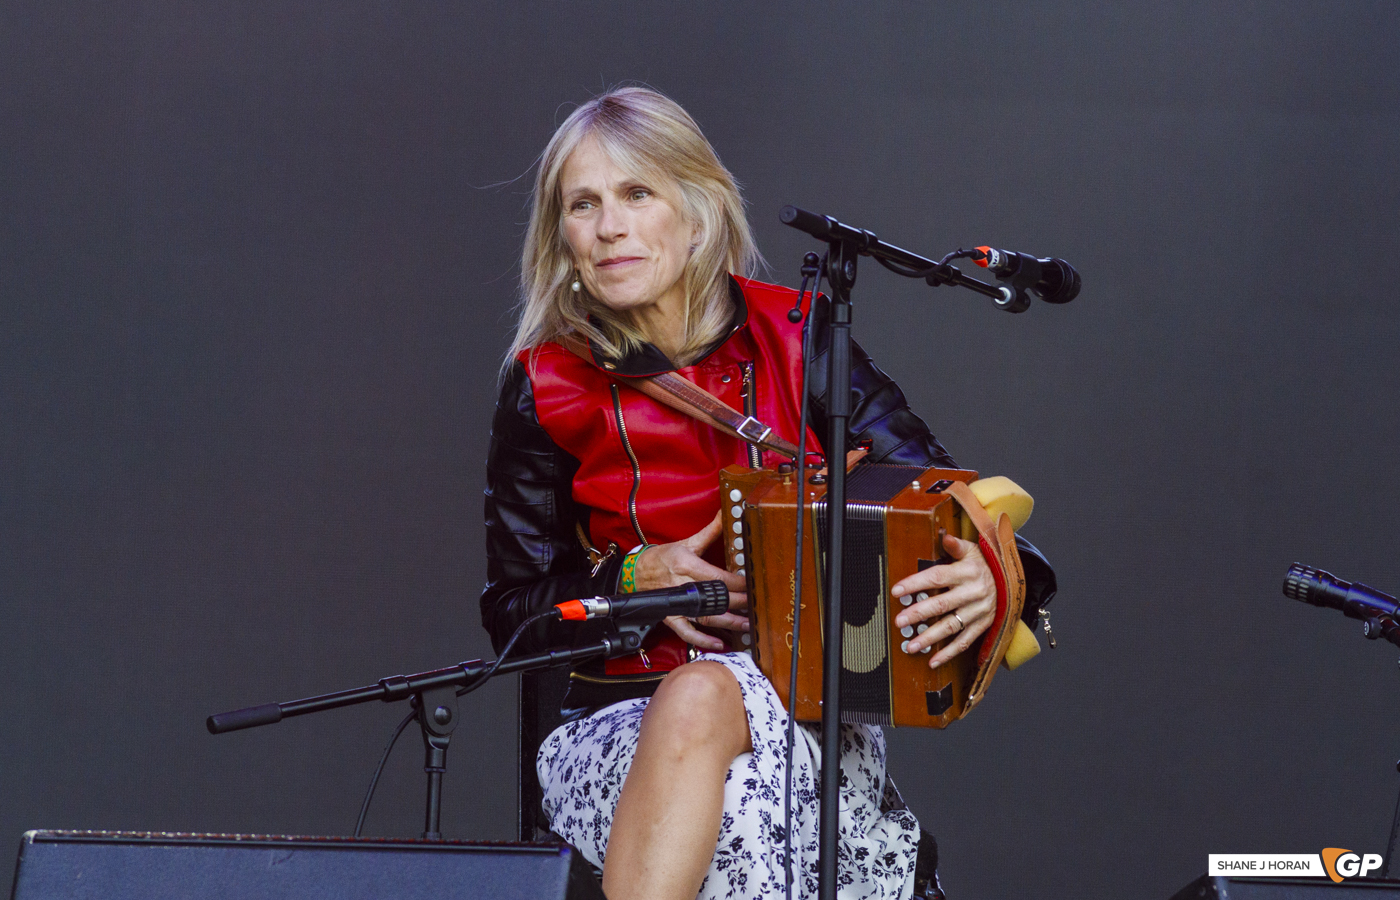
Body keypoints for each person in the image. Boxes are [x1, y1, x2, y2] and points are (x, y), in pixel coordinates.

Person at [481, 87, 1056, 900]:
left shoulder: (806, 339)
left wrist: (995, 573)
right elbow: (513, 614)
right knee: (703, 710)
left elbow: (952, 509)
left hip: (808, 723)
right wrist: (631, 580)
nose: (609, 226)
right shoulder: (545, 385)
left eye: (637, 194)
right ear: (562, 235)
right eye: (584, 204)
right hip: (618, 729)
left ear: (698, 207)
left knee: (737, 772)